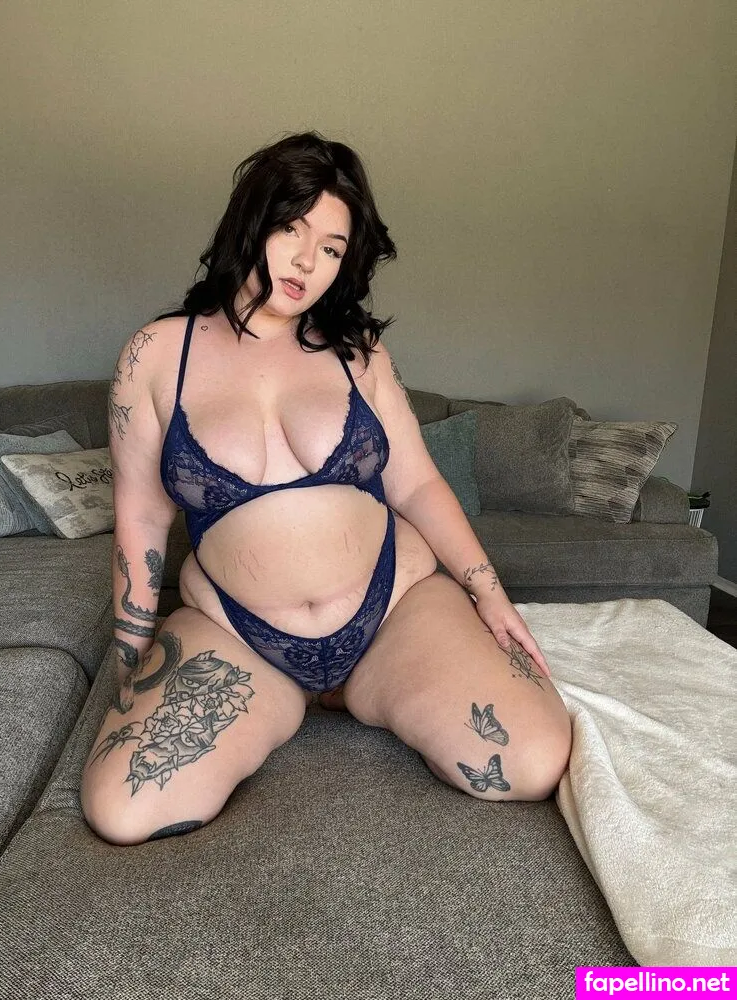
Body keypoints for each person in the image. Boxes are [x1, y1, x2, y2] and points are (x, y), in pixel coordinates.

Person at [80, 131, 571, 846]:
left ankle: (367, 686)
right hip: (238, 634)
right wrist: (129, 662)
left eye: (333, 248)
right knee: (122, 812)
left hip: (391, 611)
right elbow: (141, 519)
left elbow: (418, 484)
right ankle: (294, 696)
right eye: (292, 228)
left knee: (533, 762)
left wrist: (490, 595)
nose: (308, 262)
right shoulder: (155, 355)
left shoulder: (356, 352)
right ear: (251, 220)